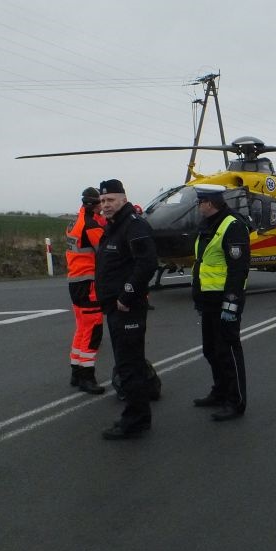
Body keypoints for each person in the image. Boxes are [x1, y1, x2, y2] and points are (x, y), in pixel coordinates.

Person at [95, 179, 159, 440]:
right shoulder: (114, 226)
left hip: (127, 307)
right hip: (114, 306)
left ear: (123, 199)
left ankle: (135, 420)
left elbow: (147, 264)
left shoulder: (134, 226)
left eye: (110, 199)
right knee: (128, 363)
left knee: (129, 365)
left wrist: (127, 295)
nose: (105, 205)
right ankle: (139, 415)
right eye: (102, 201)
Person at [191, 184, 251, 422]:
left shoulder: (232, 226)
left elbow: (238, 269)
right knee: (211, 350)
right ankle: (220, 392)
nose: (198, 206)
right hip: (208, 299)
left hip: (225, 300)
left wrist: (231, 302)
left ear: (209, 203)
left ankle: (235, 401)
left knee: (228, 351)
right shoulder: (208, 225)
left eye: (200, 202)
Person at [65, 187, 107, 394]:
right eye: (101, 203)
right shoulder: (91, 226)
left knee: (82, 327)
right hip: (88, 282)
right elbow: (106, 251)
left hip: (75, 280)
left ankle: (76, 371)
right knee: (93, 330)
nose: (104, 207)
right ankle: (87, 376)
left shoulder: (75, 221)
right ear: (95, 204)